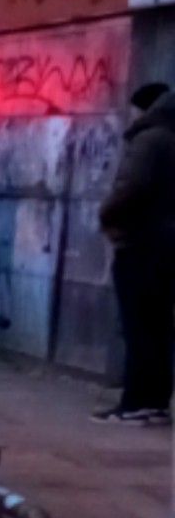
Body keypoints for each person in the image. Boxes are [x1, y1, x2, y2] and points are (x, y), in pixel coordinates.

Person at [97, 83, 175, 425]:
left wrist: (107, 216)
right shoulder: (170, 137)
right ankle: (155, 401)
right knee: (158, 326)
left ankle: (136, 400)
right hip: (165, 244)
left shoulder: (150, 139)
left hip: (141, 243)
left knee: (138, 325)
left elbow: (131, 187)